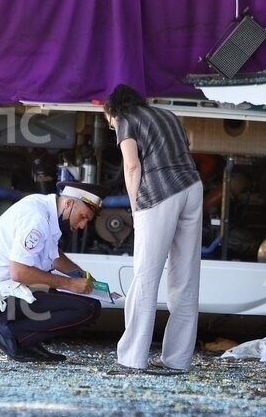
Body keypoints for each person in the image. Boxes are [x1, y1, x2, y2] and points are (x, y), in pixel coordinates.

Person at [104, 84, 203, 373]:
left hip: (160, 193)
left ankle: (131, 358)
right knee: (185, 278)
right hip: (192, 187)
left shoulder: (125, 120)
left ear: (113, 110)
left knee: (145, 277)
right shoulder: (167, 114)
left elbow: (132, 167)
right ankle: (177, 360)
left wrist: (135, 209)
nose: (112, 129)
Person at [0, 181, 106, 362]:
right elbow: (19, 272)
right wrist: (71, 284)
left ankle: (25, 341)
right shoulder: (37, 217)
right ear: (69, 203)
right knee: (89, 308)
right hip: (1, 299)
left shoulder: (47, 210)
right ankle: (8, 334)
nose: (83, 225)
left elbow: (53, 256)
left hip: (9, 292)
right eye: (82, 216)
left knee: (63, 295)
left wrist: (79, 274)